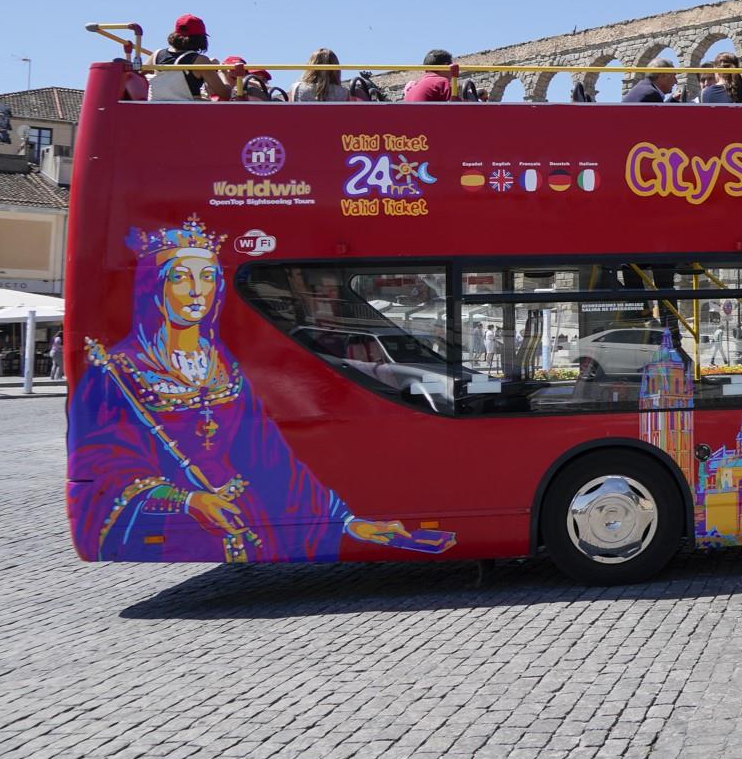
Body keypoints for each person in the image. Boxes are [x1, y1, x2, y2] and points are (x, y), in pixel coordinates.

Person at [65, 215, 455, 564]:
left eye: (207, 277)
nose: (197, 290)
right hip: (180, 522)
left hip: (249, 522)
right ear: (156, 287)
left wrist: (349, 524)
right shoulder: (117, 372)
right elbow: (103, 466)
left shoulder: (223, 366)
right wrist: (188, 500)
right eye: (181, 278)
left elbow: (270, 459)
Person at [147, 15, 239, 102]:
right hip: (186, 112)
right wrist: (221, 72)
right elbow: (225, 94)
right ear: (200, 38)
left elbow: (137, 77)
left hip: (155, 110)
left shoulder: (156, 55)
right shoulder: (200, 61)